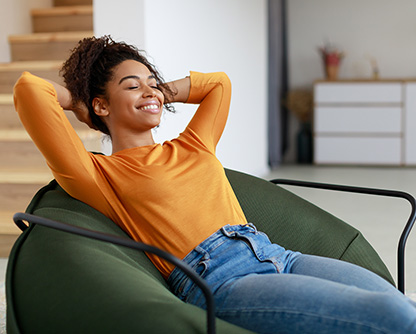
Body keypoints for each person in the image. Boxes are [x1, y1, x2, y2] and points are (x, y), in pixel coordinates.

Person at [14, 35, 416, 333]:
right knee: (393, 318)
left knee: (400, 305)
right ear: (102, 105)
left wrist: (154, 90)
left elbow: (219, 84)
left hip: (277, 253)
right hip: (221, 280)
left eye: (152, 81)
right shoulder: (98, 175)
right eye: (131, 85)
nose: (149, 90)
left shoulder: (192, 144)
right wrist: (84, 104)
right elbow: (30, 90)